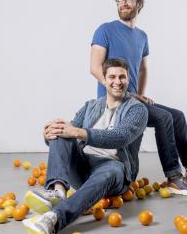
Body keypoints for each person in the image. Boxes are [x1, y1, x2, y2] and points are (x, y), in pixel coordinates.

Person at [90, 0, 187, 193]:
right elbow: (94, 68)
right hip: (114, 102)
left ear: (139, 4)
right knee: (163, 117)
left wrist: (139, 95)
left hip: (132, 99)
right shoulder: (105, 30)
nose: (124, 2)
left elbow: (142, 69)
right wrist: (125, 93)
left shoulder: (142, 36)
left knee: (177, 116)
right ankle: (174, 176)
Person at [22, 58, 148, 234]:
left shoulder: (137, 109)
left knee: (108, 168)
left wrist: (78, 132)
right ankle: (57, 192)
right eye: (112, 77)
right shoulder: (91, 106)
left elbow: (121, 137)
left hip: (114, 167)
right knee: (61, 128)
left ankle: (53, 219)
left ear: (128, 79)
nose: (117, 82)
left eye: (122, 77)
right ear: (103, 80)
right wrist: (49, 134)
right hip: (83, 166)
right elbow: (69, 133)